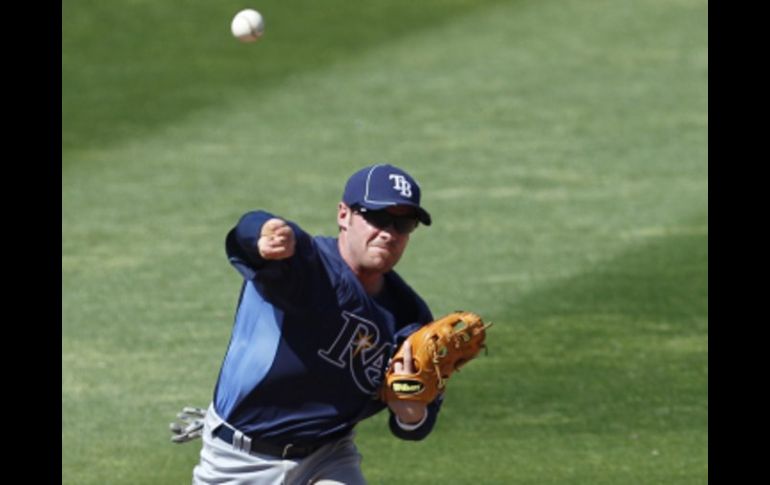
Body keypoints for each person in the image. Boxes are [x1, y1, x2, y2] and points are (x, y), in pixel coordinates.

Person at [192, 163, 442, 484]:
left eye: (403, 223)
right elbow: (255, 226)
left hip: (328, 457)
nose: (389, 233)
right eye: (378, 217)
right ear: (343, 215)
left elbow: (418, 424)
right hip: (239, 459)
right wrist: (261, 235)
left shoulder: (410, 317)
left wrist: (412, 412)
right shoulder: (305, 265)